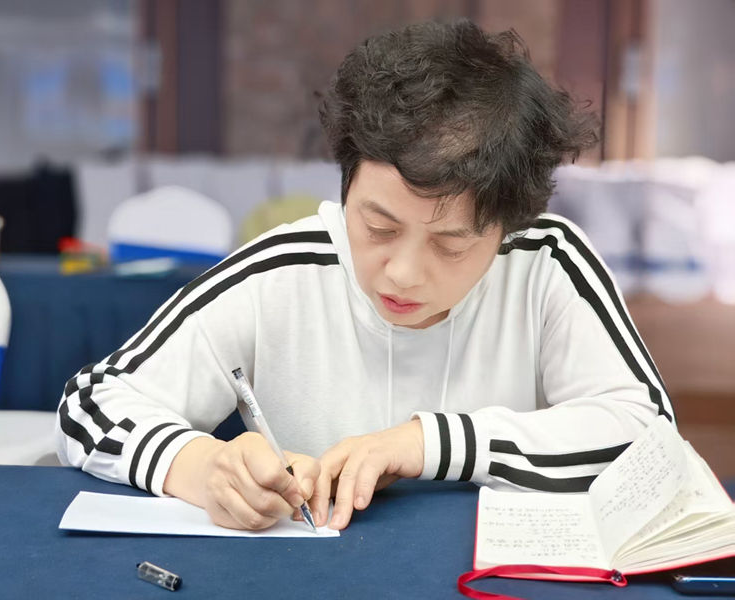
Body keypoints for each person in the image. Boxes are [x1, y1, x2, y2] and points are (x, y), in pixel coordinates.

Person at [55, 19, 674, 532]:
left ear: (508, 229)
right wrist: (200, 466)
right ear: (345, 187)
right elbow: (90, 405)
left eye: (450, 244)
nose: (402, 274)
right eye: (378, 227)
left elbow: (649, 440)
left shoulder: (547, 263)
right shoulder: (283, 271)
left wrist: (427, 443)